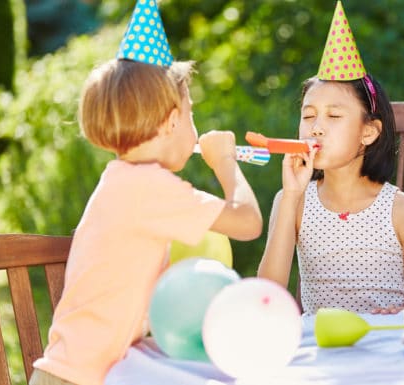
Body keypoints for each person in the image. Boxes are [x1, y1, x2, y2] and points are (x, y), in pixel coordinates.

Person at [30, 3, 262, 385]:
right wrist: (224, 163)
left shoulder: (122, 180)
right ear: (172, 121)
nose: (193, 126)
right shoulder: (150, 188)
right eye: (191, 114)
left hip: (76, 372)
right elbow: (248, 222)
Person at [257, 1, 404, 315]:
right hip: (318, 351)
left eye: (334, 116)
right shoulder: (291, 202)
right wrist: (293, 195)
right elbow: (267, 296)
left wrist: (403, 313)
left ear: (369, 132)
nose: (316, 128)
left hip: (385, 348)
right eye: (308, 116)